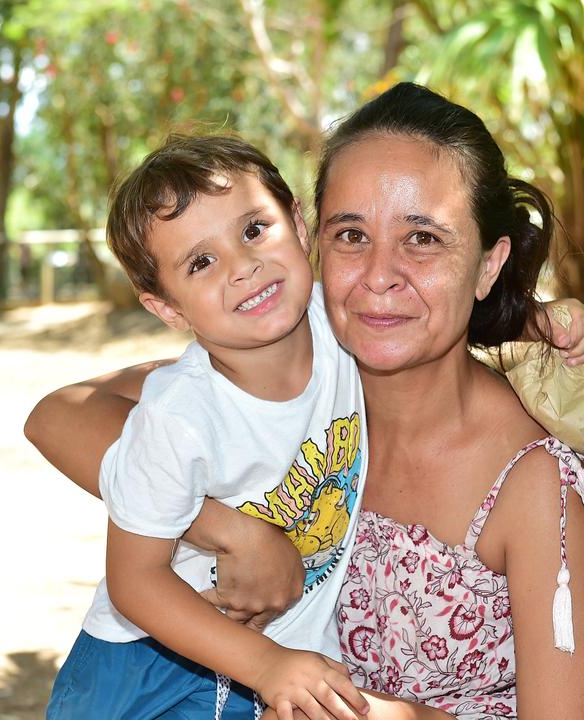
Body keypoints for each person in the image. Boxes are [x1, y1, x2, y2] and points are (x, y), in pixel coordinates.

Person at [27, 83, 584, 719]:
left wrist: (378, 714)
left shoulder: (539, 486)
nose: (378, 276)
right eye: (350, 235)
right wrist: (228, 528)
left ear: (489, 264)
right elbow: (59, 415)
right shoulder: (293, 365)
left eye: (423, 237)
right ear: (315, 238)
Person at [45, 134, 371, 720]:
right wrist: (266, 665)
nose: (243, 268)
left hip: (281, 652)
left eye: (253, 230)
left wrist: (536, 321)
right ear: (168, 308)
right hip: (147, 663)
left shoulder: (346, 322)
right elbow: (135, 580)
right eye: (201, 262)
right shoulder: (178, 414)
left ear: (298, 223)